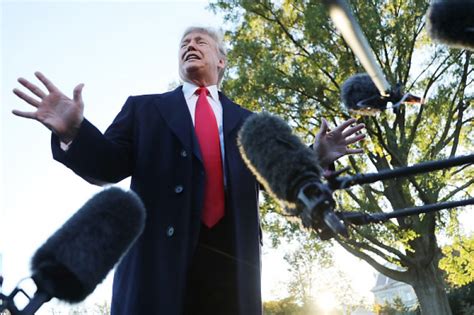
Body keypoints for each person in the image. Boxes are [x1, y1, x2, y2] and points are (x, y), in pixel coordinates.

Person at [12, 26, 365, 315]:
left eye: (200, 41)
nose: (190, 46)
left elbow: (284, 178)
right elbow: (106, 167)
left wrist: (316, 158)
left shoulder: (252, 123)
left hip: (233, 271)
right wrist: (75, 132)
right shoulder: (144, 110)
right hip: (155, 271)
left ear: (222, 60)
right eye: (184, 43)